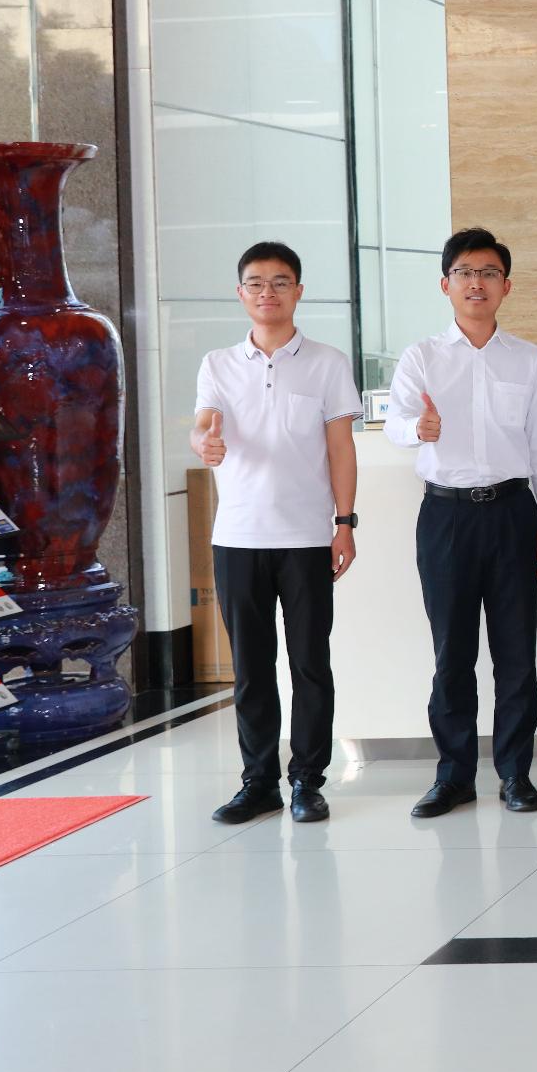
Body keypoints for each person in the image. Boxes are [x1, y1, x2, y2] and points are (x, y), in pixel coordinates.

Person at [387, 227, 537, 818]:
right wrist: (417, 429)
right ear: (446, 284)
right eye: (465, 272)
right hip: (446, 516)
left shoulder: (528, 359)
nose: (476, 283)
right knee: (452, 654)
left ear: (506, 286)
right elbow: (395, 424)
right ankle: (454, 776)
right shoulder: (421, 357)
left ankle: (516, 774)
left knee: (516, 655)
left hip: (514, 513)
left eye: (489, 273)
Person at [190, 241, 363, 825]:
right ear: (241, 293)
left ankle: (308, 782)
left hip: (308, 538)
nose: (268, 292)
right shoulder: (217, 364)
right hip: (238, 537)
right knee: (252, 668)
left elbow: (341, 449)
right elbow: (202, 427)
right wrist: (204, 444)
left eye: (280, 282)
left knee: (310, 664)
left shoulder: (327, 363)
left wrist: (344, 523)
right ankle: (258, 782)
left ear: (299, 291)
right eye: (256, 283)